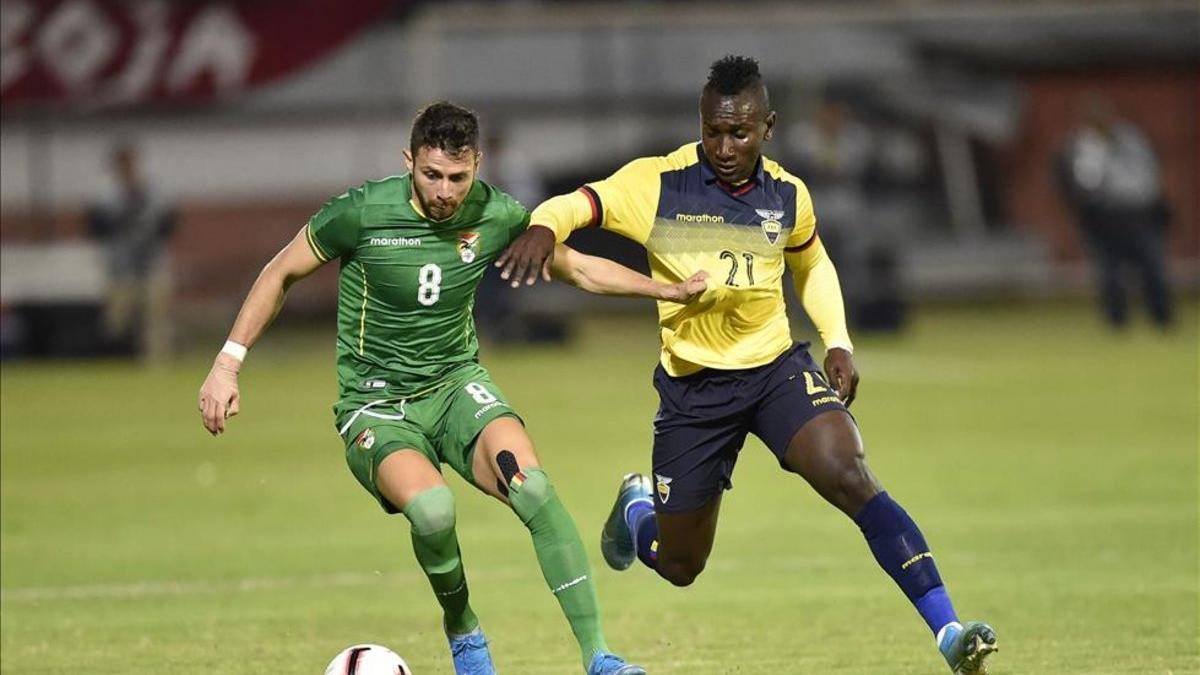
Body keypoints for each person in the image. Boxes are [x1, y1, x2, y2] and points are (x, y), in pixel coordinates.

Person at [496, 56, 998, 674]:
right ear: (700, 124)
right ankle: (637, 507)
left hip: (773, 373)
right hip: (694, 392)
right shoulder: (659, 183)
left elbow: (811, 263)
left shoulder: (787, 194)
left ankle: (949, 631)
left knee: (850, 475)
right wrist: (544, 230)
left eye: (740, 132)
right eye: (714, 131)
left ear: (768, 127)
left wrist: (837, 339)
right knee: (680, 565)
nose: (725, 146)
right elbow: (574, 205)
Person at [197, 101, 708, 675]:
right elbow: (281, 271)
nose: (445, 191)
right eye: (431, 175)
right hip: (376, 404)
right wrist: (228, 363)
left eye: (458, 178)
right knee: (434, 512)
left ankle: (600, 657)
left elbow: (580, 268)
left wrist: (665, 291)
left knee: (533, 489)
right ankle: (464, 631)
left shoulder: (497, 214)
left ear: (477, 165)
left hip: (457, 386)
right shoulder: (362, 212)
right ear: (409, 161)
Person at [1057, 95, 1174, 329]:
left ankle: (1162, 318)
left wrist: (1157, 206)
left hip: (1139, 214)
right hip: (1105, 216)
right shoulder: (1083, 146)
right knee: (1109, 273)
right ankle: (1117, 321)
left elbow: (1149, 176)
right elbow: (1081, 183)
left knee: (1153, 268)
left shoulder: (1132, 140)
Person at [87, 142, 178, 360]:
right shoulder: (105, 194)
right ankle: (114, 359)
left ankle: (157, 363)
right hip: (120, 266)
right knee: (116, 319)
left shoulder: (153, 189)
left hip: (152, 262)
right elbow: (96, 226)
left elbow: (169, 223)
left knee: (156, 317)